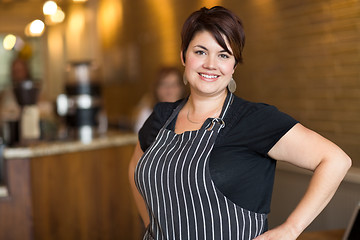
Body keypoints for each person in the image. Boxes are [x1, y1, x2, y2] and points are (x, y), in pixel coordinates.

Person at [128, 6, 351, 240]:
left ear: (233, 67)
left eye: (223, 55)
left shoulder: (254, 119)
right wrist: (151, 226)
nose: (210, 64)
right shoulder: (162, 117)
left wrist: (291, 228)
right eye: (200, 52)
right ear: (184, 56)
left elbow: (336, 160)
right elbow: (135, 167)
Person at [133, 66, 186, 133]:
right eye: (164, 84)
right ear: (156, 89)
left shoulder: (190, 114)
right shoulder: (146, 114)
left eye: (174, 84)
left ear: (182, 88)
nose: (169, 90)